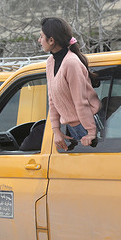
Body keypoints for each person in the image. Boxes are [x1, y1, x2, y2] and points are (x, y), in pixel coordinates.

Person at [39, 17, 101, 151]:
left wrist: (90, 132)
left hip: (87, 125)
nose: (39, 40)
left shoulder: (71, 63)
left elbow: (81, 101)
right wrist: (56, 131)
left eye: (41, 36)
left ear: (51, 40)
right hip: (72, 127)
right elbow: (52, 99)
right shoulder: (50, 62)